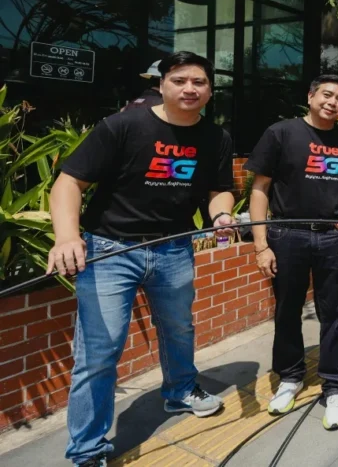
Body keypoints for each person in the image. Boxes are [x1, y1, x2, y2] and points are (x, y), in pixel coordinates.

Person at [47, 51, 235, 467]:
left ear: (210, 90)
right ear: (161, 85)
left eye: (199, 82)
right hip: (111, 251)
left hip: (175, 248)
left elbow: (219, 189)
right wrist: (67, 237)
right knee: (99, 352)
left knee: (179, 329)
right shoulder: (123, 125)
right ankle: (87, 450)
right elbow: (68, 183)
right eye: (179, 80)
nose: (190, 88)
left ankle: (180, 390)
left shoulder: (216, 138)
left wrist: (221, 214)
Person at [244, 75, 338, 429]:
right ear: (311, 96)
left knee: (334, 313)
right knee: (287, 310)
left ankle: (335, 385)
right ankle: (290, 377)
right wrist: (261, 245)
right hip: (287, 235)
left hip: (332, 237)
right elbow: (260, 189)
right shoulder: (281, 133)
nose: (332, 102)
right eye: (326, 94)